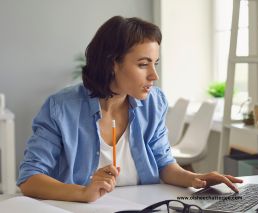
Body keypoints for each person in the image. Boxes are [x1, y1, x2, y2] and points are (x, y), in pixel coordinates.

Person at [17, 16, 243, 203]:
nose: (154, 75)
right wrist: (82, 193)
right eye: (143, 64)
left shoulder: (154, 102)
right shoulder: (61, 107)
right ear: (112, 63)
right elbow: (30, 178)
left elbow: (164, 165)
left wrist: (196, 178)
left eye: (156, 63)